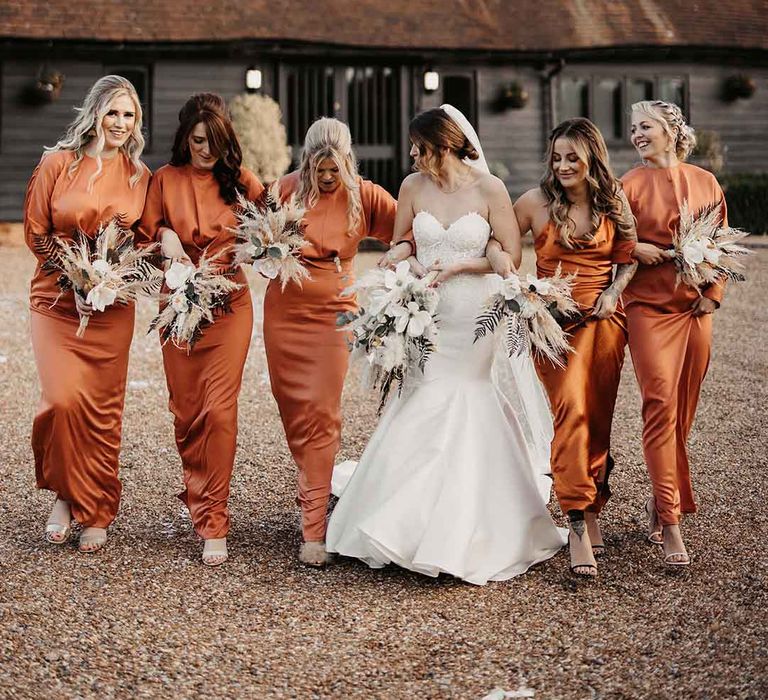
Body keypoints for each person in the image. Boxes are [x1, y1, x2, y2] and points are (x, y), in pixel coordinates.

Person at [325, 106, 566, 585]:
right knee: (424, 391)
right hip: (425, 310)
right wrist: (393, 267)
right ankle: (404, 520)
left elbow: (510, 255)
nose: (412, 154)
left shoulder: (489, 189)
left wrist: (459, 268)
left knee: (466, 393)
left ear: (444, 145)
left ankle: (465, 524)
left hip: (473, 311)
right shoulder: (413, 187)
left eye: (419, 146)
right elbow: (404, 244)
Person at [263, 117, 414, 567]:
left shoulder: (364, 194)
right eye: (320, 169)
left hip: (335, 314)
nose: (327, 178)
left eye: (335, 169)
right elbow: (252, 240)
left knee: (321, 411)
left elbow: (407, 233)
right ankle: (312, 482)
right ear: (307, 160)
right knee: (293, 409)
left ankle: (314, 527)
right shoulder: (282, 190)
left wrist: (393, 262)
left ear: (347, 160)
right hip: (284, 314)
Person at [24, 75, 150, 552]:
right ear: (96, 112)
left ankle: (94, 508)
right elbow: (36, 232)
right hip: (54, 301)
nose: (120, 123)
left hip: (112, 309)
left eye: (129, 115)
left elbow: (145, 242)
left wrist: (111, 281)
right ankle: (64, 489)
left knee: (101, 409)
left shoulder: (141, 177)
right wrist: (76, 278)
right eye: (113, 112)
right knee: (61, 400)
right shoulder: (57, 163)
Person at [138, 93, 264, 566]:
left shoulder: (241, 182)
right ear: (184, 138)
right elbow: (143, 237)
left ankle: (215, 520)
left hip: (230, 306)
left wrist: (257, 248)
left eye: (213, 142)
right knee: (187, 413)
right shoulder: (163, 180)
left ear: (224, 141)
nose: (205, 151)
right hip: (179, 309)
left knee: (219, 411)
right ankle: (198, 494)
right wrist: (164, 237)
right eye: (197, 141)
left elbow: (277, 225)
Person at [510, 118, 637, 577]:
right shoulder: (533, 202)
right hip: (553, 327)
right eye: (557, 157)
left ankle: (596, 502)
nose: (563, 166)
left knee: (598, 415)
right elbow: (500, 247)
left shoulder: (613, 199)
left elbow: (628, 255)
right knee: (571, 411)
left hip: (605, 323)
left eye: (573, 158)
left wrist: (612, 291)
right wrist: (525, 289)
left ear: (591, 160)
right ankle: (577, 520)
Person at [622, 100, 727, 567]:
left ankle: (660, 497)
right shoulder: (626, 185)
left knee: (682, 410)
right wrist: (635, 246)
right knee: (659, 404)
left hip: (696, 309)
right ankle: (671, 520)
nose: (636, 134)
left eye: (645, 126)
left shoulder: (706, 181)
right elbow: (610, 240)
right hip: (647, 308)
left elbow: (722, 241)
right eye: (632, 128)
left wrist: (715, 293)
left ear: (670, 129)